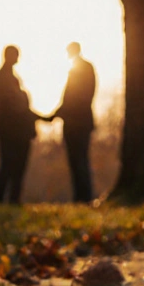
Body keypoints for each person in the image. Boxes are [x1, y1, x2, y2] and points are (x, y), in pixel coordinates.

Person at [0, 45, 42, 204]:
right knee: (10, 164)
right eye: (16, 55)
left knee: (14, 165)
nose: (18, 58)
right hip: (11, 129)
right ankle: (5, 199)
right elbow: (16, 105)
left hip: (14, 129)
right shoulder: (4, 77)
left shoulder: (8, 76)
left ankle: (10, 198)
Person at [50, 42, 97, 203]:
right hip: (79, 122)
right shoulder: (83, 68)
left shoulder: (79, 70)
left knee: (78, 160)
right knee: (79, 160)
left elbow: (71, 98)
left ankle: (83, 197)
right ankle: (82, 196)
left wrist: (55, 115)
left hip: (77, 123)